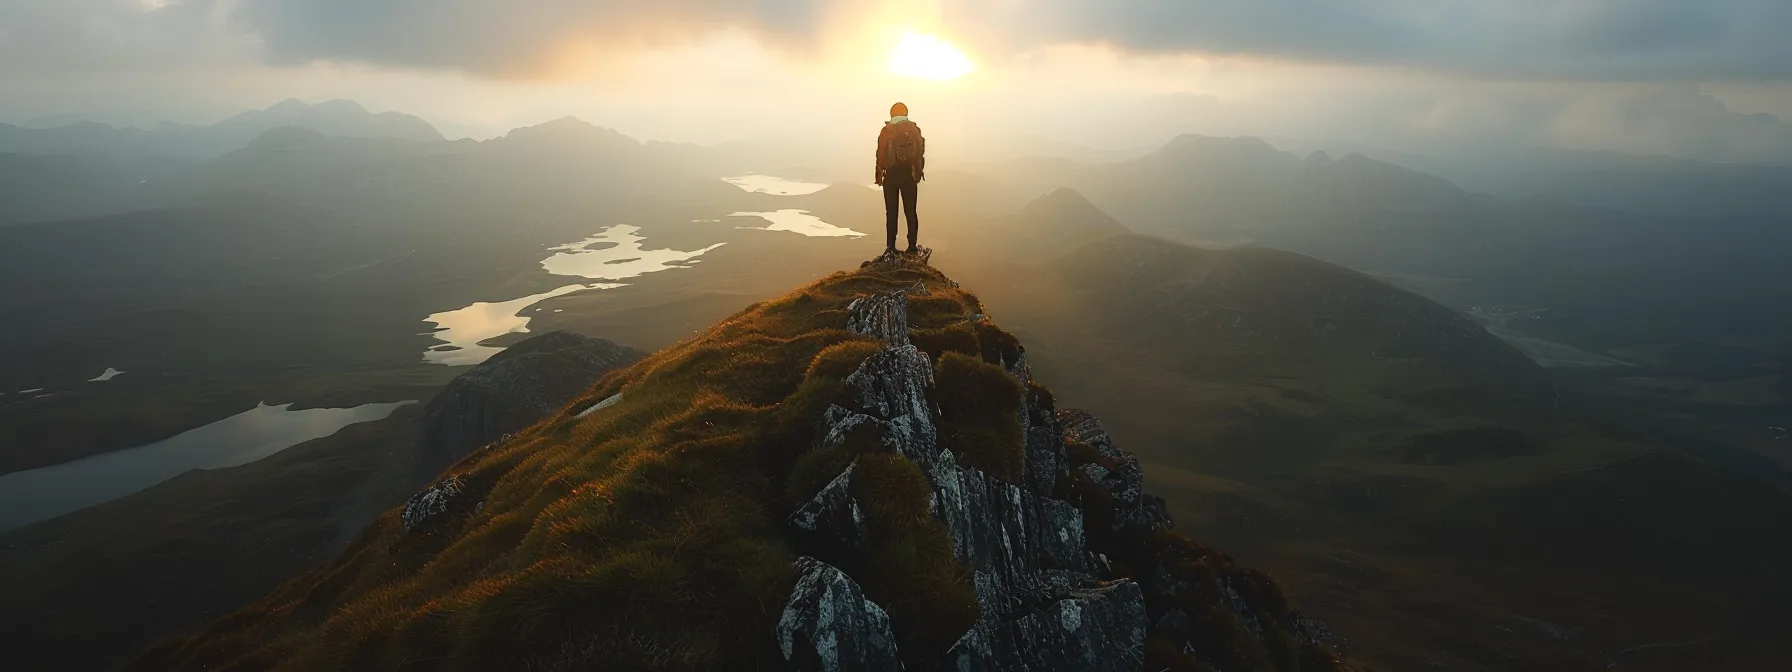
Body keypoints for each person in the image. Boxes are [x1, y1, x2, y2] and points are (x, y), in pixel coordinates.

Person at [875, 102, 925, 254]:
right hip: (909, 176)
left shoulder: (887, 130)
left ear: (891, 114)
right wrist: (918, 171)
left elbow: (880, 154)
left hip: (891, 176)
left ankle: (891, 247)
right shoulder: (914, 129)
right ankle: (912, 246)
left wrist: (879, 172)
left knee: (891, 212)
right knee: (911, 211)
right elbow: (920, 151)